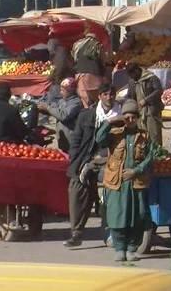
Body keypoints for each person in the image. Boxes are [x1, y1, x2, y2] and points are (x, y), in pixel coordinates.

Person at [63, 84, 121, 248]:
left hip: (111, 161)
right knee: (76, 188)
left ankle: (111, 232)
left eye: (112, 94)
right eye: (106, 94)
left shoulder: (122, 115)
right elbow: (76, 140)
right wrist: (76, 160)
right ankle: (76, 233)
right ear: (100, 96)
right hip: (86, 159)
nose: (109, 97)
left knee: (110, 192)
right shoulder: (88, 115)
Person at [97, 99, 155, 262]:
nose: (130, 120)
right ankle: (120, 248)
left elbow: (150, 157)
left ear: (137, 118)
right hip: (118, 183)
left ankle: (131, 248)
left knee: (138, 216)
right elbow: (99, 139)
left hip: (136, 183)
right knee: (117, 216)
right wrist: (110, 122)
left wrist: (136, 171)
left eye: (133, 117)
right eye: (127, 117)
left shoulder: (144, 136)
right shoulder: (115, 134)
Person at [38, 78, 83, 152]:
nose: (60, 92)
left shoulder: (76, 103)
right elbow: (55, 110)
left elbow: (64, 116)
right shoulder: (62, 101)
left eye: (63, 91)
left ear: (70, 91)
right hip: (63, 138)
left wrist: (48, 108)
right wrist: (44, 109)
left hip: (71, 137)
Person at [126, 62, 163, 146]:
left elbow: (159, 91)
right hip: (139, 112)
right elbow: (129, 95)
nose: (132, 77)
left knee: (154, 135)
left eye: (133, 74)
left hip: (151, 111)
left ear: (137, 70)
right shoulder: (132, 81)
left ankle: (157, 154)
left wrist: (146, 100)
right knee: (142, 135)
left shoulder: (151, 78)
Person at [72, 33, 105, 108]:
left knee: (85, 100)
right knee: (98, 99)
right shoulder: (98, 45)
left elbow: (74, 58)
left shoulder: (77, 44)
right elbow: (103, 60)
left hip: (81, 74)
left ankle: (88, 114)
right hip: (95, 75)